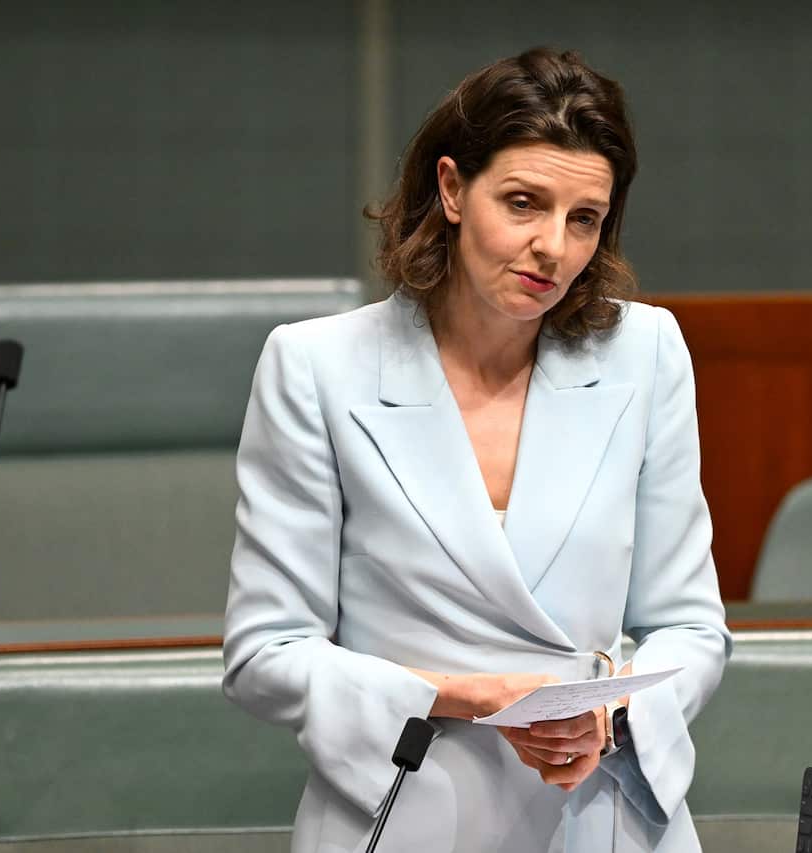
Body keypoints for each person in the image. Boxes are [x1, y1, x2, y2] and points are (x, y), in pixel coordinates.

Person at [222, 47, 731, 852]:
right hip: (407, 805)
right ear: (453, 189)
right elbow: (264, 654)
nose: (553, 249)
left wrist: (608, 712)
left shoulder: (649, 352)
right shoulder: (317, 365)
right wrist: (463, 694)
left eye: (584, 219)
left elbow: (690, 626)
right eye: (524, 203)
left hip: (597, 810)